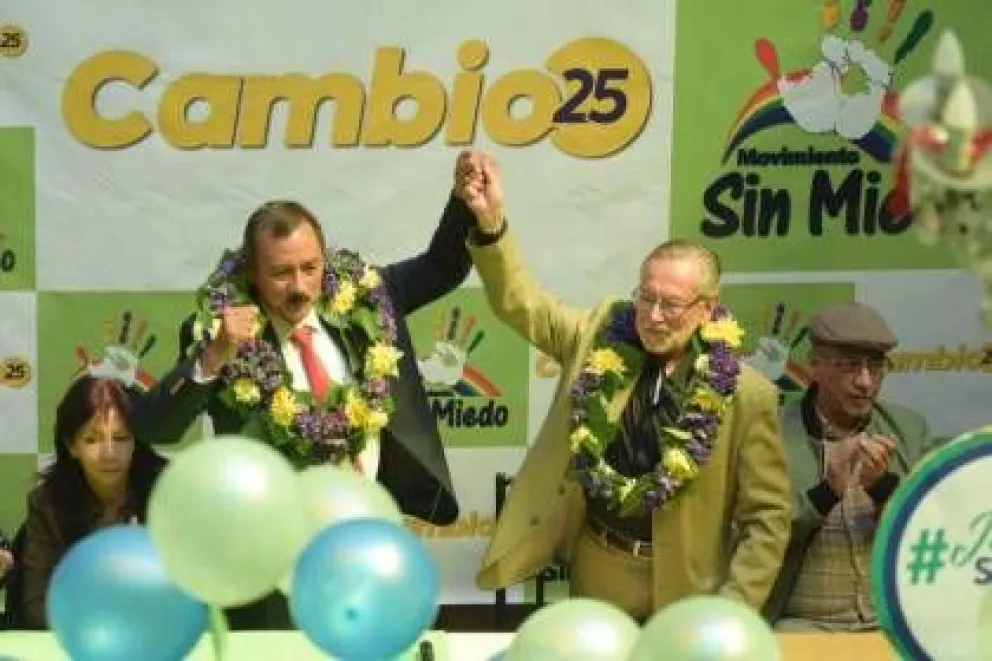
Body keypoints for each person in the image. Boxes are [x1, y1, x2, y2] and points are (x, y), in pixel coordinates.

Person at [456, 151, 792, 621]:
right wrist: (491, 226)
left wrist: (734, 611)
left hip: (690, 590)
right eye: (645, 297)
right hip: (600, 571)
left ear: (707, 308)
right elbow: (522, 303)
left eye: (671, 304)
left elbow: (768, 519)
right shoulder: (598, 337)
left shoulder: (745, 393)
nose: (653, 317)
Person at [134, 185, 475, 628]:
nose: (299, 287)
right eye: (280, 273)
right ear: (252, 273)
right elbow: (156, 426)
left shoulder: (366, 299)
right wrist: (214, 356)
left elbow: (442, 267)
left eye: (310, 268)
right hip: (271, 562)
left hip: (364, 543)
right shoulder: (220, 332)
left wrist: (466, 201)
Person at [764, 301, 946, 631]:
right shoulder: (772, 435)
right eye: (850, 366)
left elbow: (933, 534)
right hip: (803, 622)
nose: (865, 383)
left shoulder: (908, 429)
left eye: (875, 367)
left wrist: (882, 489)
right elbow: (758, 536)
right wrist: (826, 493)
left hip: (891, 619)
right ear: (814, 366)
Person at [21, 376, 168, 629]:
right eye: (92, 439)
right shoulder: (48, 503)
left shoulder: (168, 493)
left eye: (121, 438)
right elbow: (38, 606)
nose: (109, 454)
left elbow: (197, 593)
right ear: (71, 446)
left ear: (137, 442)